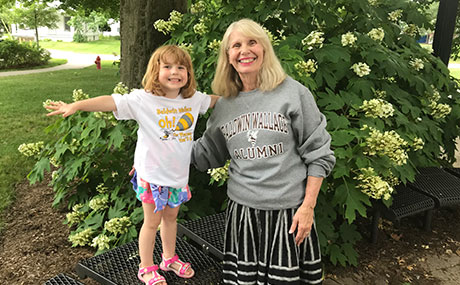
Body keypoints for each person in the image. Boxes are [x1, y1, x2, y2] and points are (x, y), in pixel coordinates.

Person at [46, 45, 219, 285]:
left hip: (178, 177)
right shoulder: (143, 100)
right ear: (155, 71)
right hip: (153, 176)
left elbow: (216, 101)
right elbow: (111, 101)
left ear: (188, 73)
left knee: (171, 219)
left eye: (181, 67)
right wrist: (76, 105)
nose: (175, 72)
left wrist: (248, 98)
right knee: (152, 223)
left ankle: (168, 259)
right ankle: (146, 267)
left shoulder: (192, 99)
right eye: (167, 66)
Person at [191, 19, 335, 284]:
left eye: (252, 42)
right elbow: (205, 154)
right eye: (236, 45)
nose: (244, 50)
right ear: (228, 57)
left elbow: (319, 154)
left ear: (265, 49)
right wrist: (156, 152)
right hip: (243, 216)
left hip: (289, 215)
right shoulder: (225, 105)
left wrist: (308, 207)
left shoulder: (293, 93)